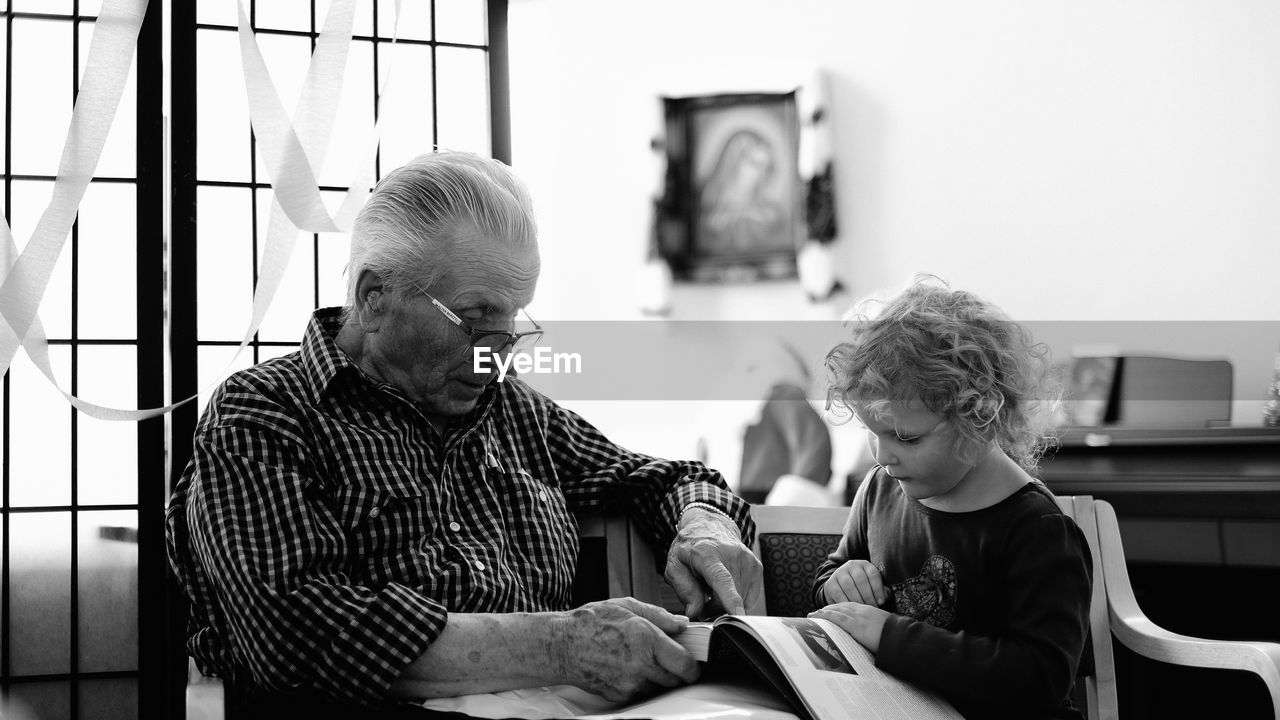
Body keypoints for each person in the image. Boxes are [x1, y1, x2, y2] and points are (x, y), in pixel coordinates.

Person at [166, 151, 763, 717]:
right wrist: (561, 646)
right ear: (376, 298)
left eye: (513, 320)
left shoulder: (512, 411)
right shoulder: (264, 415)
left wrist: (703, 526)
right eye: (477, 319)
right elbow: (293, 632)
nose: (499, 351)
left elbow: (665, 479)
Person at [808, 278, 1092, 720]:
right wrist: (840, 580)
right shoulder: (880, 490)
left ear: (980, 416)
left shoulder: (1038, 530)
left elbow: (1041, 677)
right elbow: (832, 575)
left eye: (906, 436)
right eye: (872, 432)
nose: (883, 456)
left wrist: (890, 636)